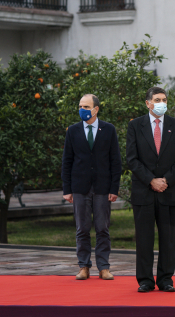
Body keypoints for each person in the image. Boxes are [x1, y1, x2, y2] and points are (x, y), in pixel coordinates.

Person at [126, 86, 175, 293]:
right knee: (144, 238)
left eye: (164, 99)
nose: (161, 103)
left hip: (168, 191)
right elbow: (132, 159)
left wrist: (166, 180)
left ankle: (165, 279)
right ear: (148, 103)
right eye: (157, 99)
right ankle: (145, 279)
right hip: (143, 192)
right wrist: (151, 180)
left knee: (168, 238)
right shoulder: (135, 126)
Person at [62, 94, 122, 281]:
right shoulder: (72, 131)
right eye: (80, 106)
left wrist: (114, 188)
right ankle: (83, 267)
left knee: (103, 228)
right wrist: (67, 189)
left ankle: (104, 267)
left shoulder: (109, 129)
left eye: (86, 107)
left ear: (96, 109)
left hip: (103, 187)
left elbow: (115, 161)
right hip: (80, 187)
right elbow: (67, 161)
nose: (82, 110)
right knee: (82, 228)